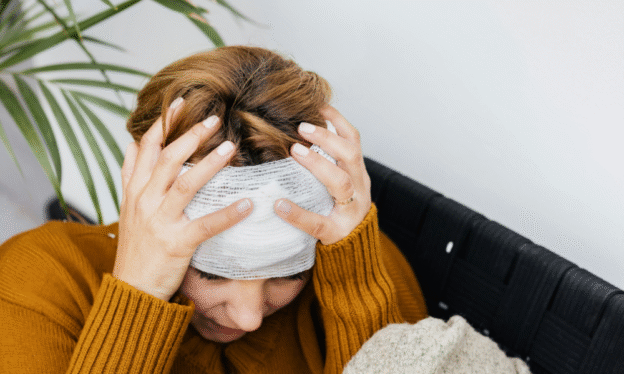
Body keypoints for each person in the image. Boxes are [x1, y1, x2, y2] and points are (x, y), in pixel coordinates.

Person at [0, 46, 427, 373]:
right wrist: (139, 294)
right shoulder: (39, 282)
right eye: (213, 272)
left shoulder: (355, 260)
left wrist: (356, 280)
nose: (249, 317)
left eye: (288, 272)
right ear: (140, 189)